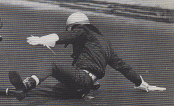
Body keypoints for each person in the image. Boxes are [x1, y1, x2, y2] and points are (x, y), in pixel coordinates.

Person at [9, 12, 166, 100]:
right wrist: (142, 82)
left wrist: (42, 39)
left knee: (52, 65)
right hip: (84, 87)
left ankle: (28, 83)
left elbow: (63, 37)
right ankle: (17, 90)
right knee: (50, 91)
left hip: (82, 79)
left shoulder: (83, 31)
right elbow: (123, 67)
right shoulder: (106, 44)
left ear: (74, 27)